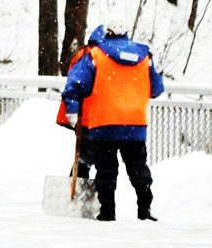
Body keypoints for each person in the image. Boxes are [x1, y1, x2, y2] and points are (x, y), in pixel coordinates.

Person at [59, 24, 165, 221]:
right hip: (135, 124)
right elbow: (157, 88)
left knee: (106, 170)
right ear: (125, 33)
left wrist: (73, 112)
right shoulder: (144, 56)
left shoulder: (95, 55)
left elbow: (76, 85)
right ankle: (145, 209)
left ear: (106, 33)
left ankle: (107, 212)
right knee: (138, 168)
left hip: (104, 123)